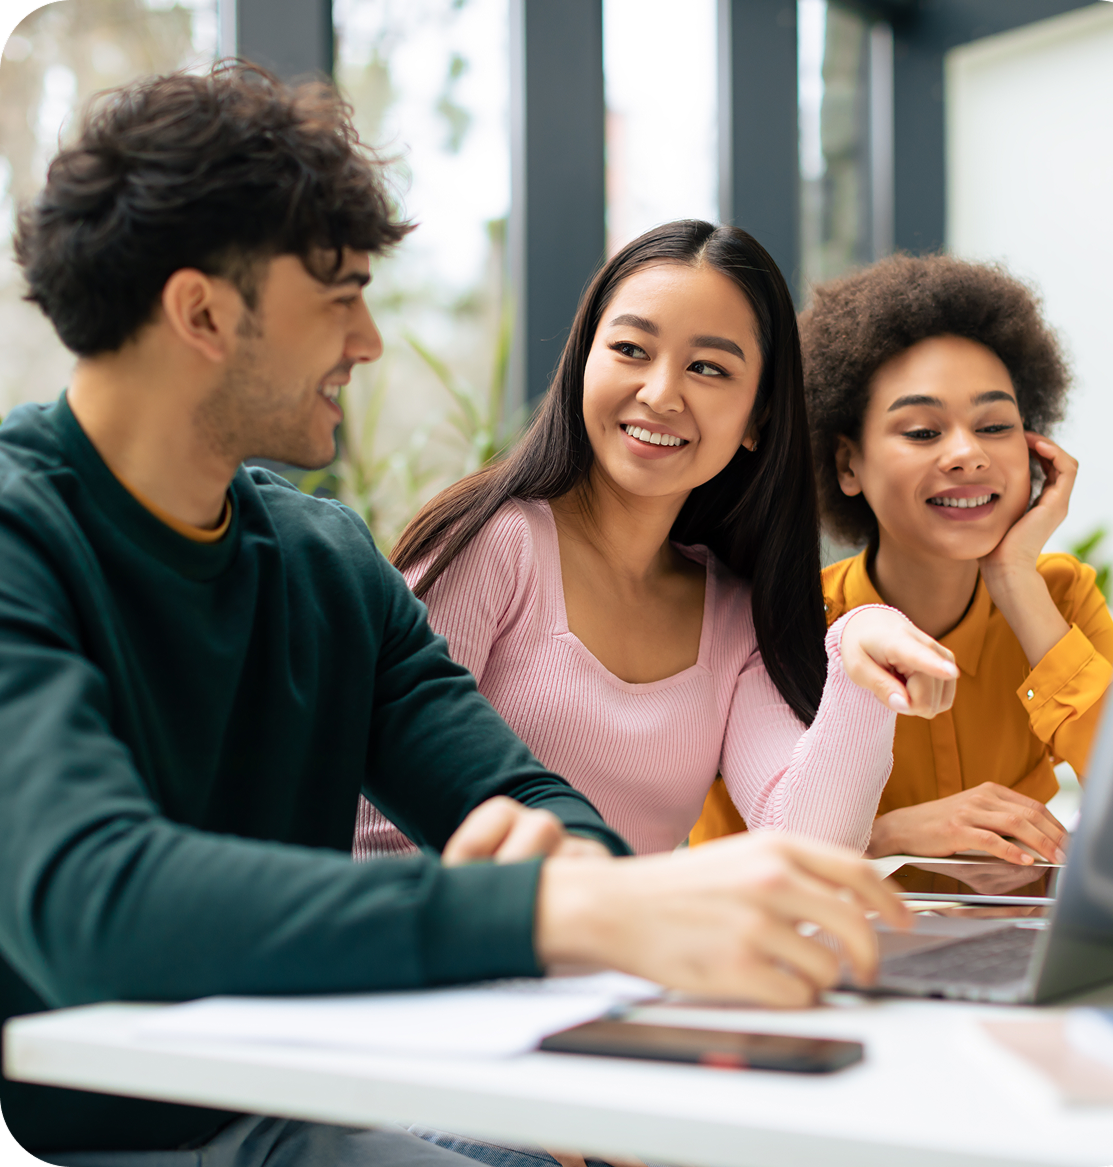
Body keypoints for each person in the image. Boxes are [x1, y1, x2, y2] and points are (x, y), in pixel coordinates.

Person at [0, 63, 912, 1167]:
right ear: (202, 312)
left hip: (276, 1117)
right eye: (339, 294)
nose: (369, 340)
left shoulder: (322, 561)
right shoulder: (21, 540)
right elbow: (95, 900)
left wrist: (578, 879)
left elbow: (521, 797)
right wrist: (549, 916)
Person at [354, 221, 960, 867]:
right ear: (584, 361)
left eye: (707, 367)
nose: (660, 393)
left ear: (758, 417)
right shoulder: (492, 544)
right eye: (630, 350)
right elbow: (373, 830)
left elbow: (806, 842)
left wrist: (859, 660)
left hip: (626, 963)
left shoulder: (734, 613)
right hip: (458, 955)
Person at [689, 254, 1113, 866]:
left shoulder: (1061, 598)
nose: (968, 455)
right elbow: (724, 865)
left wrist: (1016, 582)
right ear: (847, 464)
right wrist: (883, 838)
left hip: (1023, 950)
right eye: (922, 432)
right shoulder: (784, 624)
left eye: (995, 425)